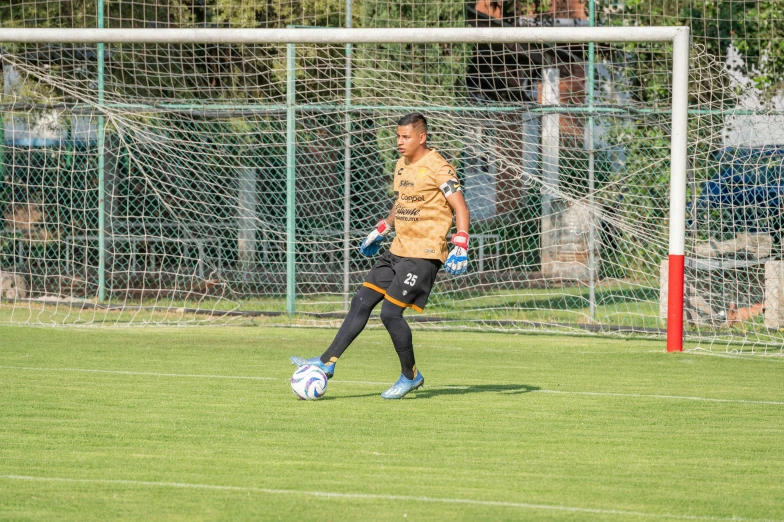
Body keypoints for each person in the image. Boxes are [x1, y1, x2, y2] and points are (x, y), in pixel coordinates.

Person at [290, 113, 471, 399]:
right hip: (398, 248)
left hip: (423, 255)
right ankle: (326, 362)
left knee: (390, 313)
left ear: (421, 137)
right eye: (398, 136)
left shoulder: (439, 167)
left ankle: (410, 376)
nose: (399, 142)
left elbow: (461, 207)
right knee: (362, 300)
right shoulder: (402, 165)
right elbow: (402, 203)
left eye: (406, 137)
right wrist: (383, 227)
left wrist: (460, 242)